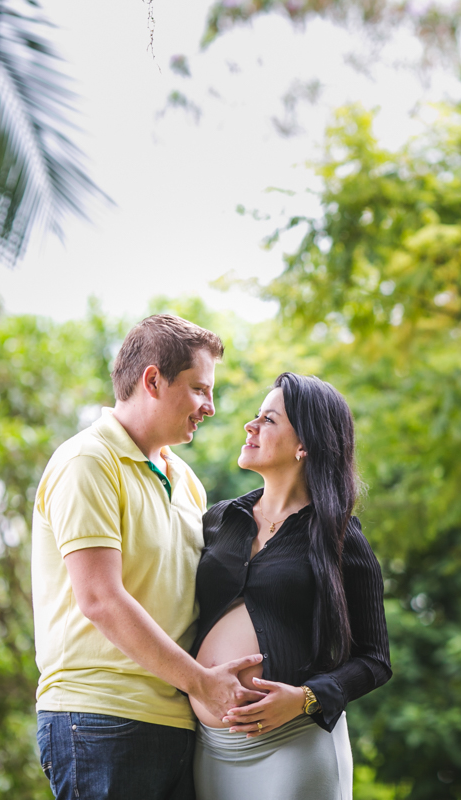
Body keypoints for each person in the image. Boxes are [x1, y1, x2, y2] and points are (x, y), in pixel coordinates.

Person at [33, 314, 264, 800]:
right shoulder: (87, 462)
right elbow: (100, 599)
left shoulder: (187, 480)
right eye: (200, 389)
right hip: (100, 720)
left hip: (176, 722)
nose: (211, 407)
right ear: (153, 380)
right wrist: (201, 682)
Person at [190, 372, 392, 800]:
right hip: (210, 750)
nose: (251, 425)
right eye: (255, 416)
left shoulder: (340, 537)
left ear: (305, 445)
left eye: (268, 419)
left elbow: (375, 660)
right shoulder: (219, 520)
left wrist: (305, 698)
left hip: (293, 747)